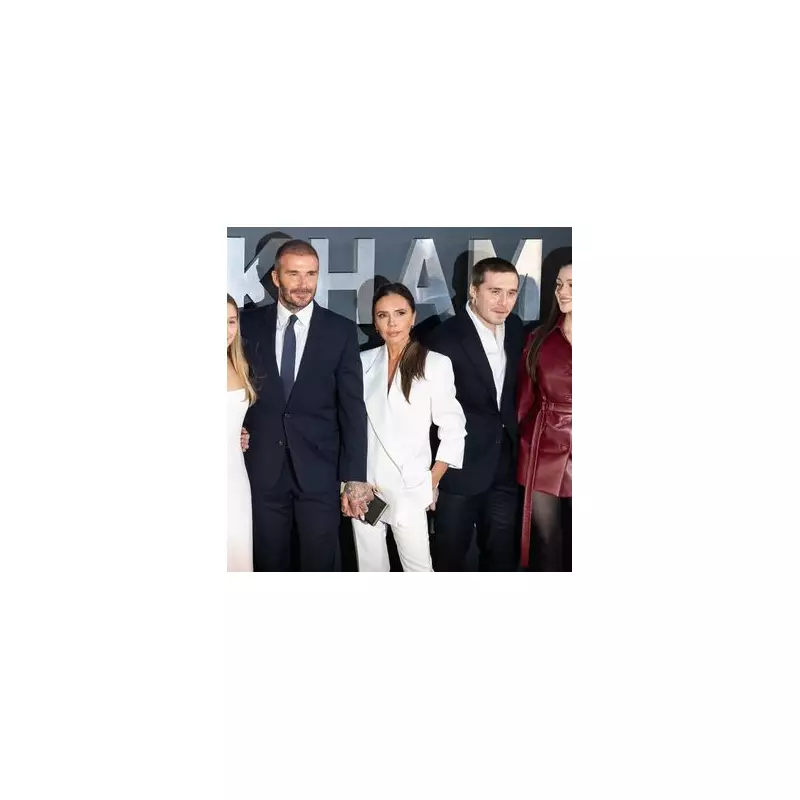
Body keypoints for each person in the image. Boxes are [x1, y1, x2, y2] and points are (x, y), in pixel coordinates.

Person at [239, 239, 372, 571]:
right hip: (262, 470)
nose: (303, 284)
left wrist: (354, 476)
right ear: (275, 277)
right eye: (294, 274)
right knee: (268, 563)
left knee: (319, 563)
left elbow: (352, 408)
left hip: (319, 473)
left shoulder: (340, 330)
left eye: (311, 274)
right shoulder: (246, 326)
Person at [352, 284, 466, 572]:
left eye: (400, 313)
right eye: (383, 315)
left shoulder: (435, 364)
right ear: (374, 321)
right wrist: (351, 482)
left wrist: (430, 481)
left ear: (413, 317)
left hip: (409, 486)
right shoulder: (361, 362)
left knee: (418, 569)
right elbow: (349, 425)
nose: (392, 323)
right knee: (370, 568)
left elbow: (453, 429)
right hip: (366, 486)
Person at [425, 257, 525, 571]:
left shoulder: (516, 329)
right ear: (473, 290)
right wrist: (432, 477)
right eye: (495, 291)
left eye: (511, 293)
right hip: (459, 470)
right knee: (449, 558)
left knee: (502, 558)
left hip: (505, 467)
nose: (503, 302)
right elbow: (428, 413)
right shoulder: (444, 338)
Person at [516, 259, 572, 571]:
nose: (562, 292)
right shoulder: (538, 338)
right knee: (546, 539)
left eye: (573, 285)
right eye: (559, 284)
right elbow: (524, 402)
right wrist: (524, 446)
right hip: (542, 448)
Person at [227, 294, 257, 572]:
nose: (226, 330)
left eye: (231, 321)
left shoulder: (239, 364)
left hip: (236, 477)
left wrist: (239, 431)